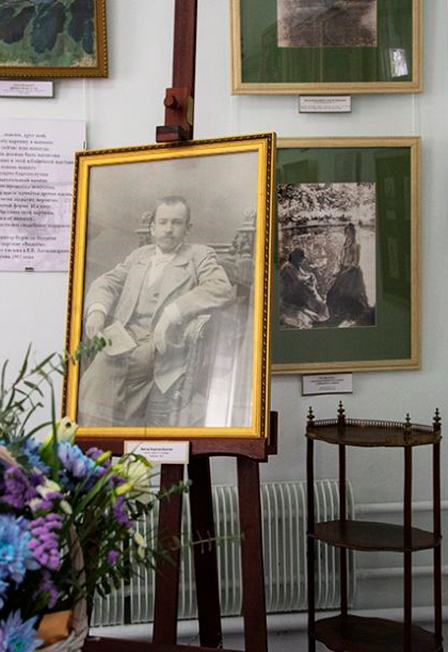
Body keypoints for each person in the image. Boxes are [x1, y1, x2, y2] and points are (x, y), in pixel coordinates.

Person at [78, 195, 233, 427]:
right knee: (97, 365)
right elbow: (107, 282)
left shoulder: (199, 256)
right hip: (124, 335)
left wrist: (173, 312)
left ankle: (99, 439)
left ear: (187, 228)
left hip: (162, 344)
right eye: (163, 222)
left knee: (103, 368)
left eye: (176, 222)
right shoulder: (139, 256)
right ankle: (106, 437)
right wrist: (97, 311)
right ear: (152, 227)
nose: (169, 229)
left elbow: (221, 288)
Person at [325, 223, 372, 326]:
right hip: (343, 269)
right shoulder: (345, 244)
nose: (348, 235)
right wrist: (339, 270)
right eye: (346, 232)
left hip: (352, 272)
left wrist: (344, 272)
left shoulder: (356, 246)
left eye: (350, 233)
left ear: (353, 233)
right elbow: (342, 259)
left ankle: (350, 315)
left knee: (349, 295)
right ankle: (337, 313)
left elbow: (355, 263)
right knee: (332, 292)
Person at [279, 247, 328, 329]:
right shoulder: (288, 267)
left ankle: (317, 313)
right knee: (305, 315)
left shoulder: (297, 265)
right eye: (301, 257)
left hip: (298, 293)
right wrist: (308, 277)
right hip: (289, 297)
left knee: (319, 304)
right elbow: (298, 280)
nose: (302, 260)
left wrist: (310, 275)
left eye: (303, 257)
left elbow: (303, 274)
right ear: (295, 257)